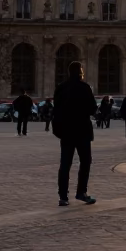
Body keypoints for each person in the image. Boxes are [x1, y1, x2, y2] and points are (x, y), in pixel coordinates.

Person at [51, 61, 98, 206]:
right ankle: (81, 192)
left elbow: (56, 110)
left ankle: (63, 197)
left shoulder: (61, 88)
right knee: (85, 162)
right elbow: (92, 109)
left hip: (66, 132)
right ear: (80, 72)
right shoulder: (84, 88)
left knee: (65, 163)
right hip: (82, 130)